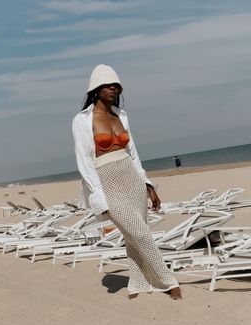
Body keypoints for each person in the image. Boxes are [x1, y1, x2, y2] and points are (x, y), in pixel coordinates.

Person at [72, 64, 181, 300]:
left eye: (117, 86)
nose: (114, 89)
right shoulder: (82, 121)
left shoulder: (121, 115)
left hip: (131, 177)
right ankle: (168, 280)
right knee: (139, 233)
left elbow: (133, 153)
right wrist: (98, 197)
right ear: (96, 89)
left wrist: (148, 184)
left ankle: (139, 282)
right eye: (109, 85)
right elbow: (84, 162)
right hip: (106, 181)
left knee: (134, 237)